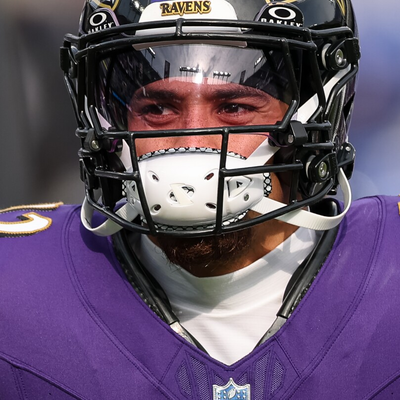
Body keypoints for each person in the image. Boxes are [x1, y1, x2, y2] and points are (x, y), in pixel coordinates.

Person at [1, 0, 399, 399]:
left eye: (234, 108)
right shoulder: (18, 288)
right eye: (158, 108)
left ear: (311, 127)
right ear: (109, 126)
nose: (192, 142)